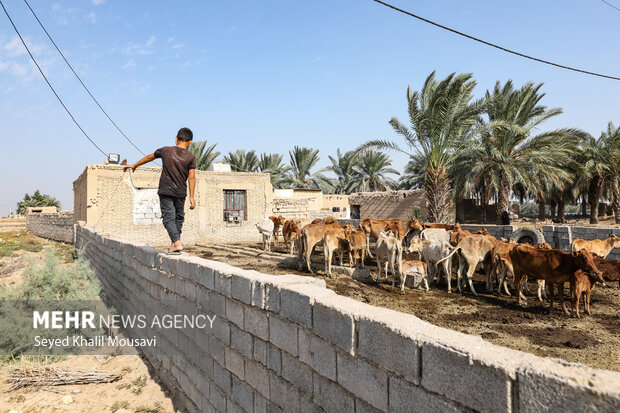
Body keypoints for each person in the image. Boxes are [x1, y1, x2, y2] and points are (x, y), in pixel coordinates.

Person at [124, 127, 196, 253]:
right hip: (180, 192)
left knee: (168, 218)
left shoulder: (166, 150)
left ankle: (176, 243)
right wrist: (192, 197)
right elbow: (192, 177)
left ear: (176, 138)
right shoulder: (191, 157)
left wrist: (135, 165)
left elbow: (149, 157)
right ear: (190, 142)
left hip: (166, 191)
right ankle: (175, 244)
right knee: (178, 218)